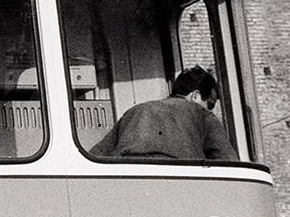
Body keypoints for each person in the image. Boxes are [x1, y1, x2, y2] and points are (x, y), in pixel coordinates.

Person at [86, 65, 233, 162]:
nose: (211, 109)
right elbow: (230, 164)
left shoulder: (134, 111)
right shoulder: (202, 115)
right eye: (211, 103)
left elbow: (96, 155)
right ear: (195, 96)